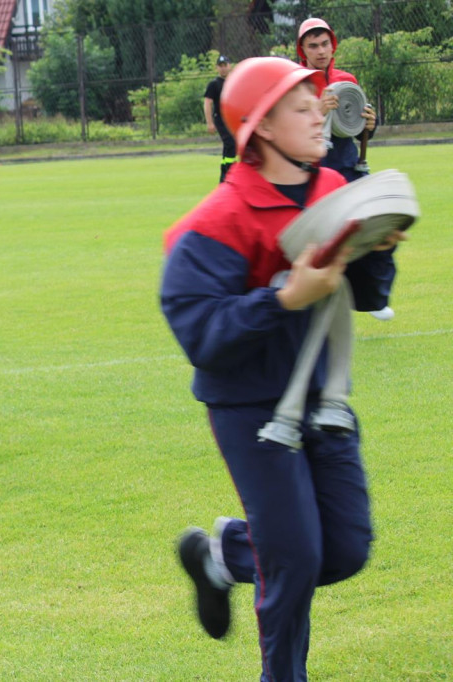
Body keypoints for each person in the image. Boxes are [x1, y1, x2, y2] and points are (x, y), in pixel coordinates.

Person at [161, 57, 405, 682]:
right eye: (301, 107)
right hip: (249, 407)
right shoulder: (216, 221)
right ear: (262, 127)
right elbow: (203, 336)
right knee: (293, 558)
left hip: (321, 398)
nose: (319, 114)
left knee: (345, 549)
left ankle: (222, 555)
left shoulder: (334, 191)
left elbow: (371, 296)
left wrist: (377, 250)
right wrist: (284, 298)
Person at [297, 17, 393, 321]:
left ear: (332, 44)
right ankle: (318, 303)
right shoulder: (297, 82)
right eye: (313, 45)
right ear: (303, 49)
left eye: (325, 44)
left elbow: (356, 126)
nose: (321, 51)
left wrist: (370, 126)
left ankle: (375, 298)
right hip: (313, 171)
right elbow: (291, 131)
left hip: (349, 165)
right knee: (322, 240)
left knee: (376, 228)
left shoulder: (346, 79)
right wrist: (317, 112)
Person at [203, 54, 236, 183]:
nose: (223, 68)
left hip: (233, 118)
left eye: (225, 65)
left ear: (230, 66)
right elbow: (207, 103)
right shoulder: (214, 84)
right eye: (220, 66)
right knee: (231, 144)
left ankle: (225, 177)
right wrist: (209, 123)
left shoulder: (234, 81)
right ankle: (229, 174)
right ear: (217, 68)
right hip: (221, 119)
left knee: (230, 147)